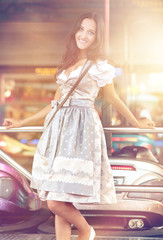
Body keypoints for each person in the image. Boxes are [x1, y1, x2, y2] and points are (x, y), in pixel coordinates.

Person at [3, 12, 155, 240]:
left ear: (97, 38)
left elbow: (113, 99)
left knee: (55, 202)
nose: (84, 35)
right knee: (59, 198)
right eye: (81, 29)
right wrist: (21, 122)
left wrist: (136, 122)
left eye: (90, 32)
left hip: (81, 132)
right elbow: (55, 104)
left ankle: (86, 230)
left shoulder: (100, 66)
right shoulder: (67, 62)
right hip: (58, 131)